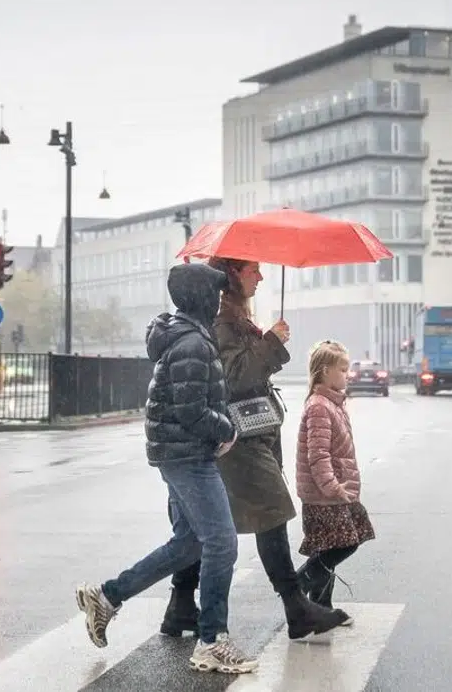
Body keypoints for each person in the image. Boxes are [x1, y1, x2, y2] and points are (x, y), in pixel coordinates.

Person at [75, 262, 258, 675]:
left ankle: (107, 596)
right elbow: (192, 409)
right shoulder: (192, 343)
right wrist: (226, 427)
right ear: (199, 297)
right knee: (222, 543)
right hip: (188, 455)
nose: (217, 301)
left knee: (191, 543)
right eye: (212, 294)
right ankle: (212, 640)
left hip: (179, 452)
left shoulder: (185, 336)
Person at [158, 256, 348, 641]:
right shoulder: (220, 321)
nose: (261, 276)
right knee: (272, 510)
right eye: (252, 270)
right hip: (235, 437)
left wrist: (265, 342)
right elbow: (234, 377)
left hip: (241, 436)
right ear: (232, 275)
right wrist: (271, 342)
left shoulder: (234, 318)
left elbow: (245, 369)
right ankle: (296, 606)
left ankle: (180, 605)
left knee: (201, 526)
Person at [294, 340, 375, 617]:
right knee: (345, 542)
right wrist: (332, 487)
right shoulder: (319, 406)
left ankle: (320, 607)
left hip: (337, 491)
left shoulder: (332, 403)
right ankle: (298, 585)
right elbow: (318, 455)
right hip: (327, 494)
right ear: (325, 371)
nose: (347, 374)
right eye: (342, 369)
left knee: (330, 546)